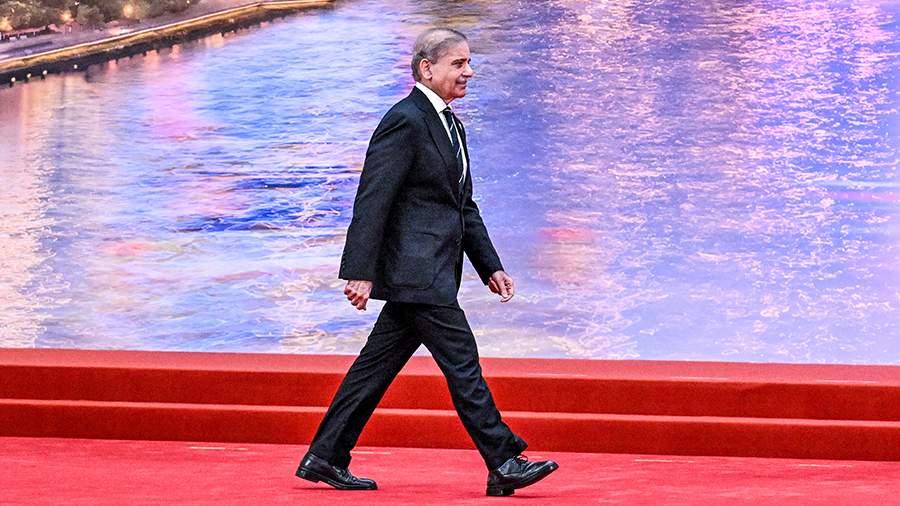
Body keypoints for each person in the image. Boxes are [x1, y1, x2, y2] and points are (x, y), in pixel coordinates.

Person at [295, 27, 558, 497]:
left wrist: (490, 266)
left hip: (430, 271)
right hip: (417, 272)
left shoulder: (451, 125)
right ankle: (503, 460)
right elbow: (373, 198)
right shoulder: (405, 120)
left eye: (468, 62)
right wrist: (359, 271)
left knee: (374, 369)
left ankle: (326, 455)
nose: (469, 71)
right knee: (463, 362)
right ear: (427, 68)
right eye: (458, 63)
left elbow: (462, 206)